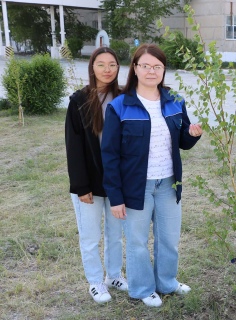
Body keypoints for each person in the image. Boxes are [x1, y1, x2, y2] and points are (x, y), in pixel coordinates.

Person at [101, 44, 203, 307]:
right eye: (145, 66)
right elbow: (109, 154)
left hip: (168, 183)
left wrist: (193, 135)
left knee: (169, 239)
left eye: (157, 66)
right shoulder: (120, 106)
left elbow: (181, 141)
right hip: (136, 187)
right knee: (137, 242)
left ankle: (166, 282)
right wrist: (115, 196)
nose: (151, 71)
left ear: (163, 70)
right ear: (135, 68)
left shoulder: (175, 101)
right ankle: (143, 288)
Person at [65, 47, 128, 303]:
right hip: (89, 182)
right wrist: (81, 186)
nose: (107, 69)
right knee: (90, 236)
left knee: (116, 234)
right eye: (101, 64)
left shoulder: (124, 98)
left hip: (116, 181)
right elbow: (74, 146)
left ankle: (114, 275)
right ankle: (95, 281)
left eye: (112, 64)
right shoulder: (79, 101)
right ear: (92, 68)